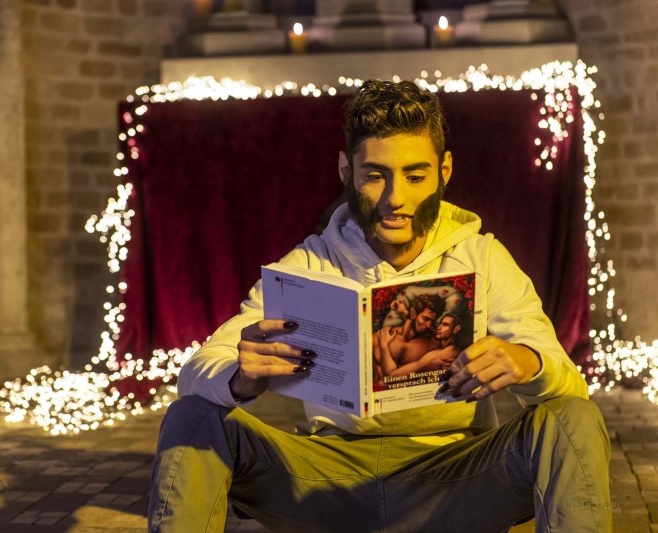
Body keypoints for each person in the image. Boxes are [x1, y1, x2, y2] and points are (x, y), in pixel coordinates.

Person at [148, 80, 611, 532]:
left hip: (454, 480)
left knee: (572, 417)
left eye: (415, 175)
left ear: (444, 171)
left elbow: (568, 383)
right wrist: (239, 376)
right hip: (328, 482)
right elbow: (195, 373)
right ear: (346, 172)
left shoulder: (483, 257)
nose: (396, 199)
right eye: (375, 176)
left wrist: (527, 361)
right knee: (193, 415)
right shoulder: (310, 263)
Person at [372, 293, 444, 380]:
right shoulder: (382, 336)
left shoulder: (433, 343)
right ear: (413, 313)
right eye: (426, 319)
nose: (429, 325)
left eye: (432, 321)